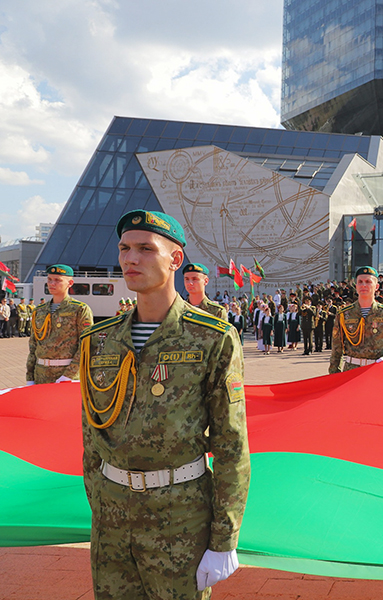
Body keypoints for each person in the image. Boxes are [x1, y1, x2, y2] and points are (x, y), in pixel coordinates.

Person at [80, 209, 249, 599]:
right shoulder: (98, 340)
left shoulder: (212, 337)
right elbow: (91, 435)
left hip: (180, 519)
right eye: (124, 249)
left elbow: (230, 444)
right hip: (112, 520)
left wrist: (224, 538)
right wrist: (101, 504)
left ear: (175, 259)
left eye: (144, 248)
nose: (130, 259)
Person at [26, 264, 94, 385]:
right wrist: (30, 377)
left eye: (57, 280)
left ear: (70, 283)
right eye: (49, 280)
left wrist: (69, 375)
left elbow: (87, 344)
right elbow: (33, 346)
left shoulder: (80, 309)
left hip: (66, 375)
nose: (52, 283)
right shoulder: (39, 311)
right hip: (41, 375)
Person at [329, 266, 383, 373]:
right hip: (351, 371)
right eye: (360, 281)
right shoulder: (344, 314)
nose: (364, 285)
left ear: (376, 286)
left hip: (377, 370)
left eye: (368, 282)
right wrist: (334, 375)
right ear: (356, 285)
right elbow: (336, 348)